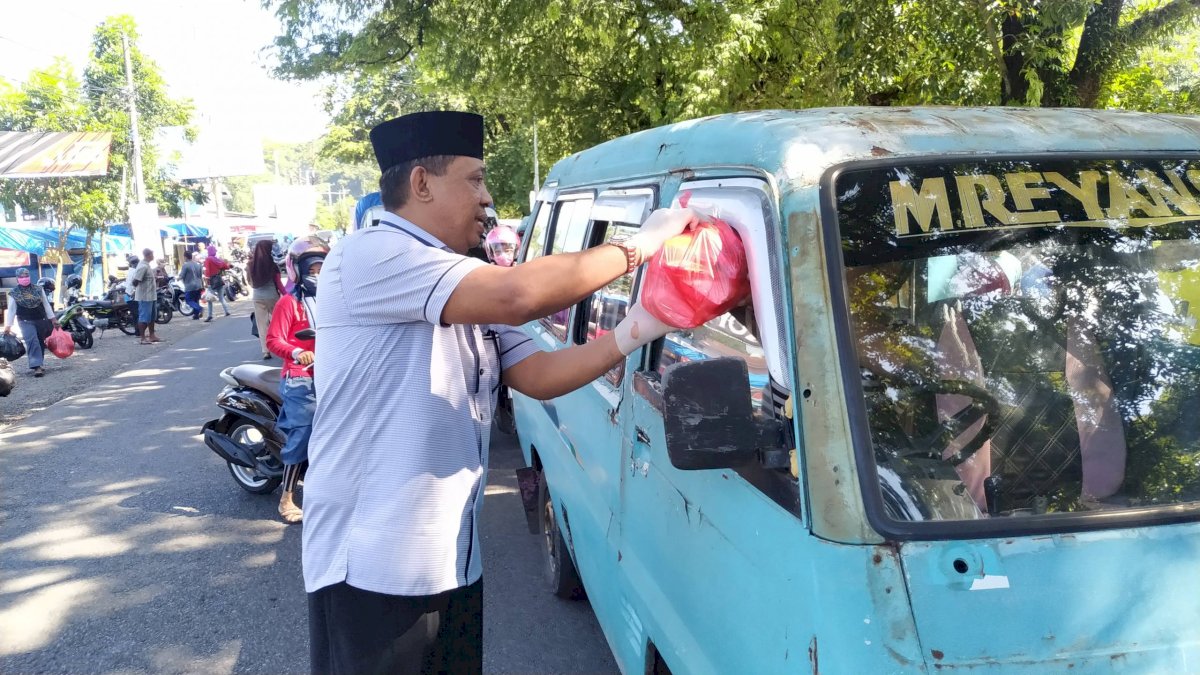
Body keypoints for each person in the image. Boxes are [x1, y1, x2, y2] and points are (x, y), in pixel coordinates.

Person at [303, 110, 698, 675]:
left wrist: (643, 325)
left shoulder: (462, 276)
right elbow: (519, 296)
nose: (488, 198)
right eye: (475, 179)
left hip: (450, 560)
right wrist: (643, 245)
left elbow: (537, 374)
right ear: (421, 183)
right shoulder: (369, 255)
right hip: (373, 570)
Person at [266, 236, 327, 524]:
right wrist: (297, 351)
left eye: (320, 270)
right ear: (298, 271)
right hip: (300, 378)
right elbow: (273, 340)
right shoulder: (289, 303)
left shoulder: (330, 301)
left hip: (330, 374)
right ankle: (286, 498)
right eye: (311, 270)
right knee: (303, 435)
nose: (316, 275)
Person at [3, 267, 55, 377]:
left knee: (40, 342)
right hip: (25, 320)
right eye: (21, 277)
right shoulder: (14, 293)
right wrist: (8, 325)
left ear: (29, 276)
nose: (24, 278)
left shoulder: (38, 289)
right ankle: (36, 366)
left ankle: (39, 362)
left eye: (26, 276)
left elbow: (46, 305)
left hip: (41, 319)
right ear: (17, 279)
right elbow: (12, 309)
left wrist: (53, 319)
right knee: (32, 341)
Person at [248, 240, 286, 359]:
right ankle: (282, 345)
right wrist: (287, 294)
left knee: (261, 324)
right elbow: (278, 283)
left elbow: (250, 282)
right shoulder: (272, 265)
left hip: (257, 297)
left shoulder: (250, 265)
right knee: (279, 322)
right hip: (272, 297)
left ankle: (266, 351)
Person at [130, 248, 161, 345]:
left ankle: (152, 335)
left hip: (151, 295)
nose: (153, 256)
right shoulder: (143, 266)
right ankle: (142, 337)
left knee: (152, 317)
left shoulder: (147, 265)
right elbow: (135, 281)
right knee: (144, 317)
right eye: (152, 254)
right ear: (148, 255)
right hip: (145, 296)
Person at [202, 244, 232, 322]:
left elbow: (207, 271)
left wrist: (206, 281)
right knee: (221, 297)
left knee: (209, 298)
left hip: (211, 281)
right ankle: (227, 311)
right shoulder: (217, 259)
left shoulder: (208, 259)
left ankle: (210, 315)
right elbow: (225, 266)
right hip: (219, 280)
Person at [178, 252, 205, 320]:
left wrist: (177, 278)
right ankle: (196, 315)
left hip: (190, 286)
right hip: (198, 285)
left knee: (188, 300)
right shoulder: (198, 265)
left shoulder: (185, 265)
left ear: (185, 257)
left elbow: (182, 275)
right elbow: (200, 275)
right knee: (196, 300)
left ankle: (200, 308)